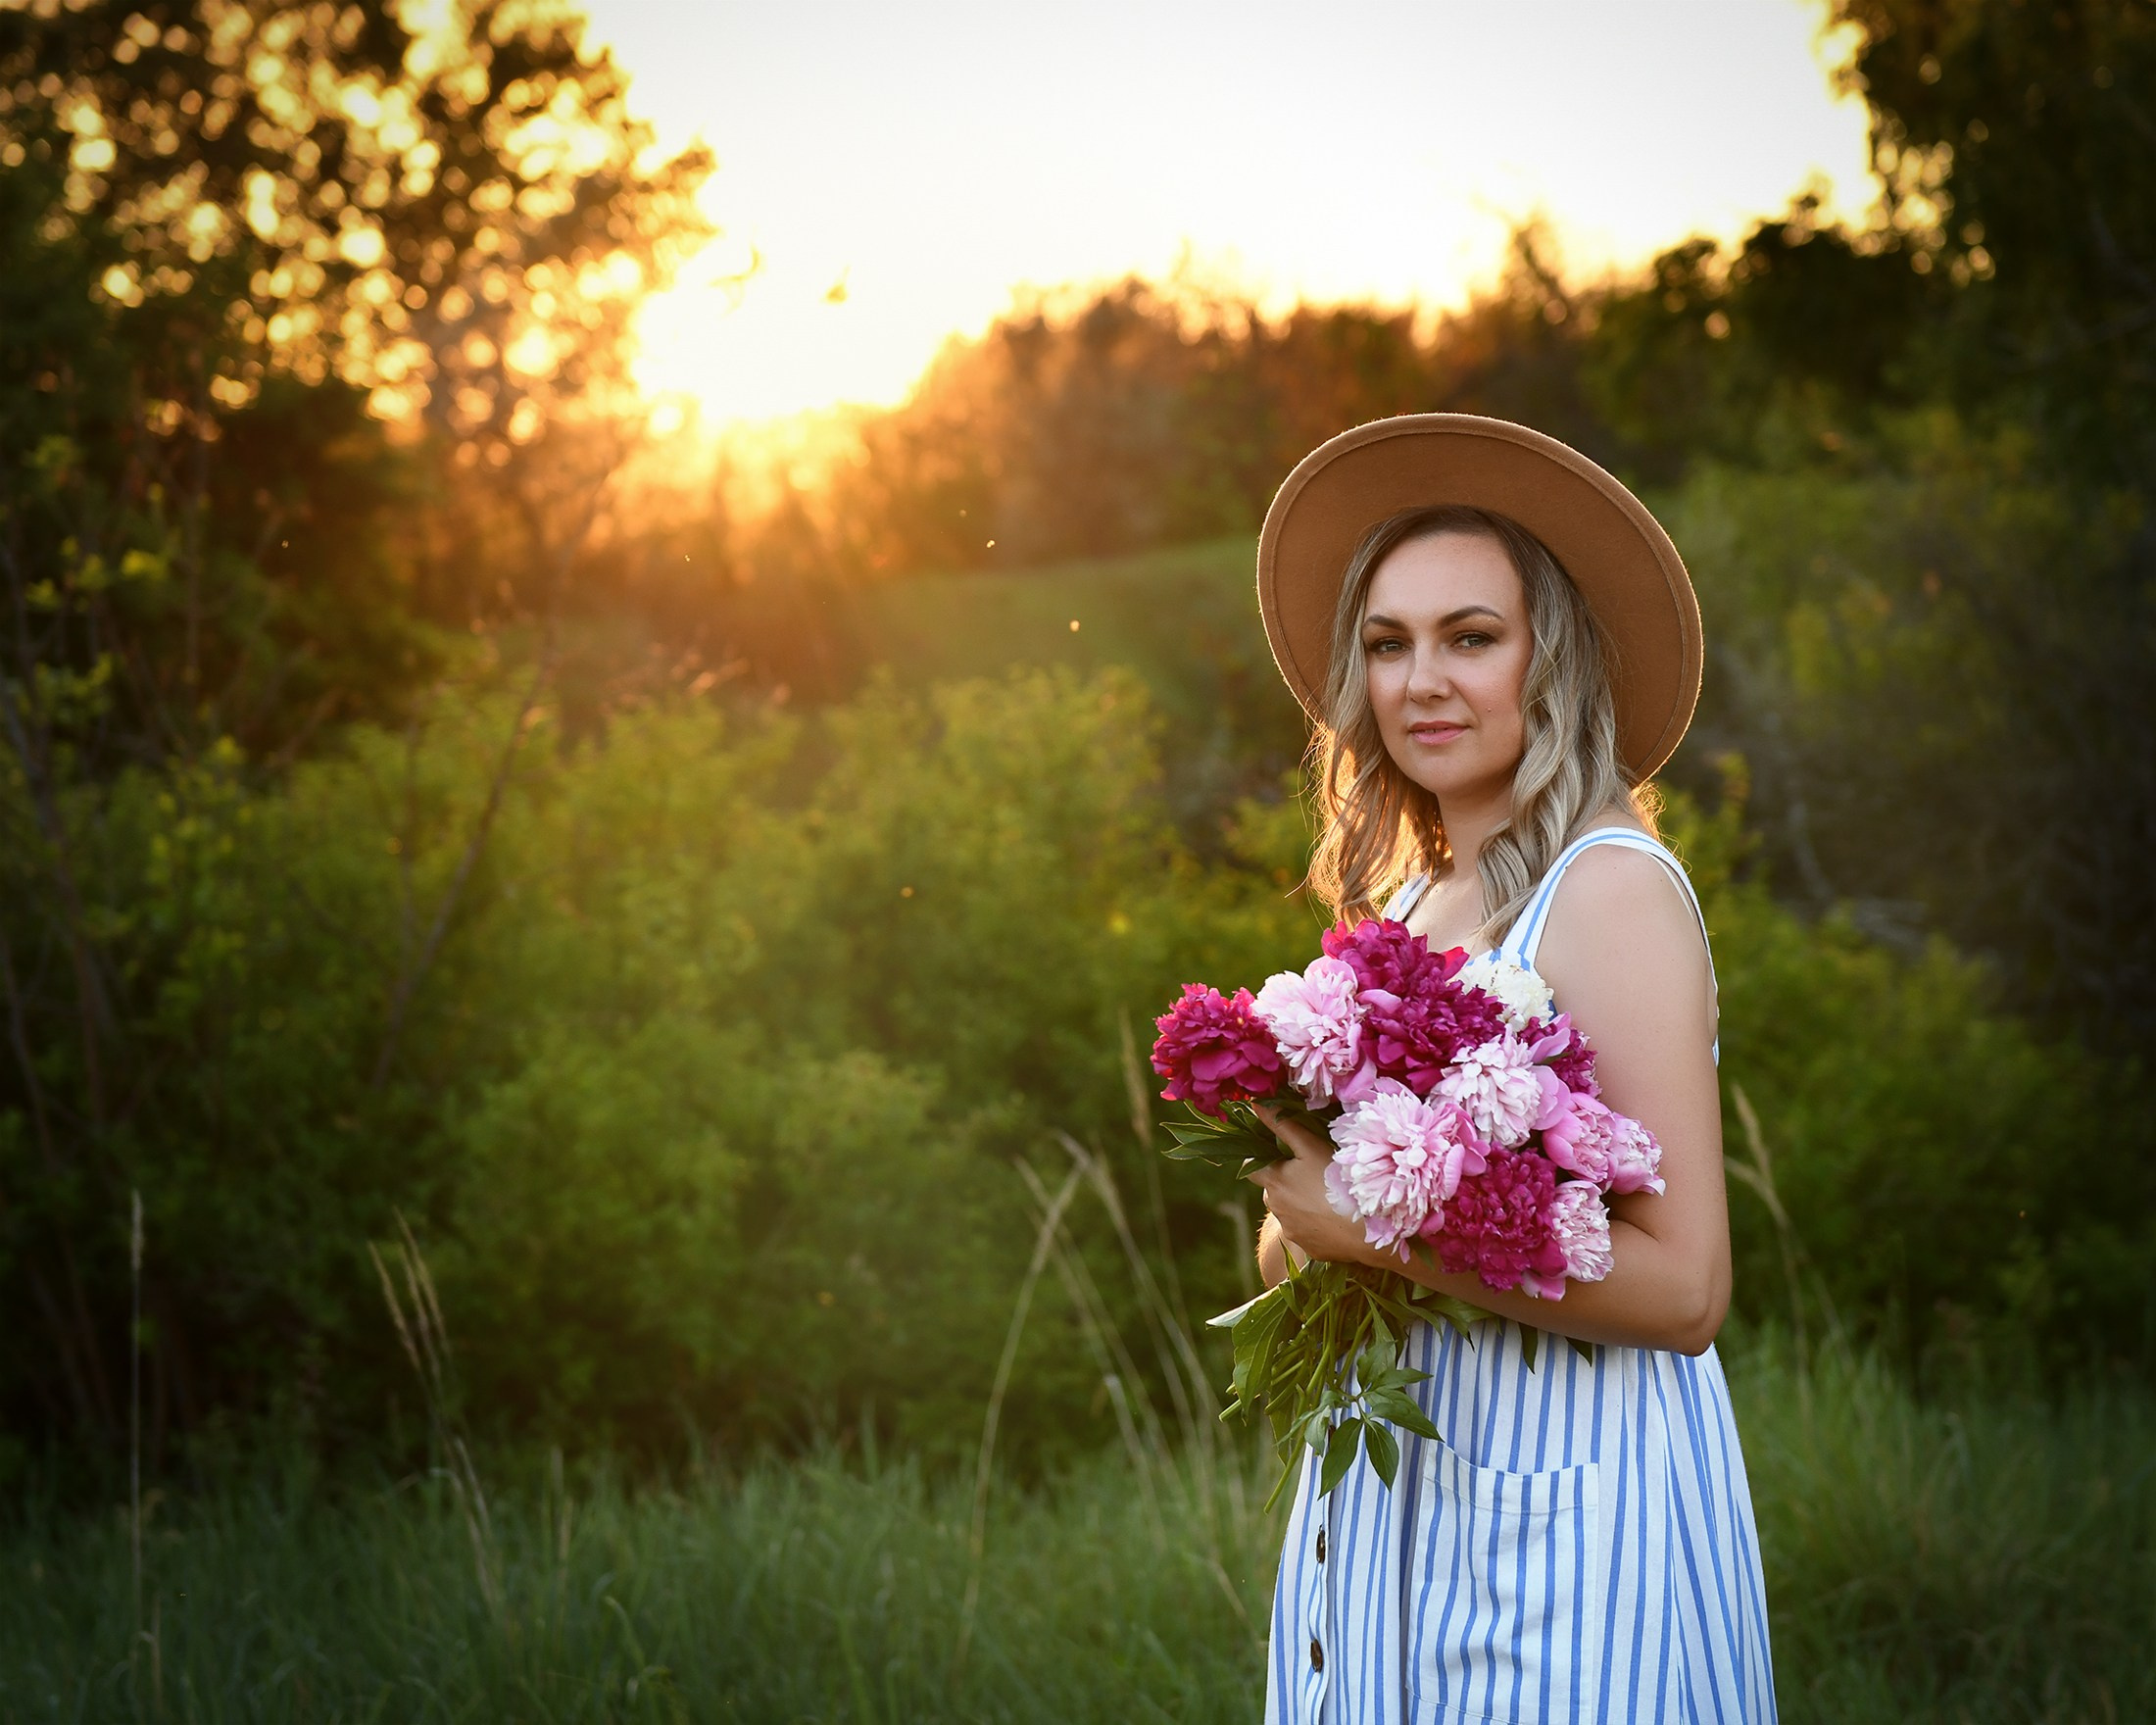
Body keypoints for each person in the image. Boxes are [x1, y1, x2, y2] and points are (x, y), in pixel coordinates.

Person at [1246, 416, 1775, 1724]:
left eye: (1470, 637)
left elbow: (1687, 1286)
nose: (1422, 679)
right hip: (1398, 1507)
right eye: (1388, 642)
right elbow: (1307, 1245)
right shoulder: (1417, 901)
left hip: (1568, 1512)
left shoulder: (1610, 892)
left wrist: (1373, 1225)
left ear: (1556, 657)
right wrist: (1298, 1216)